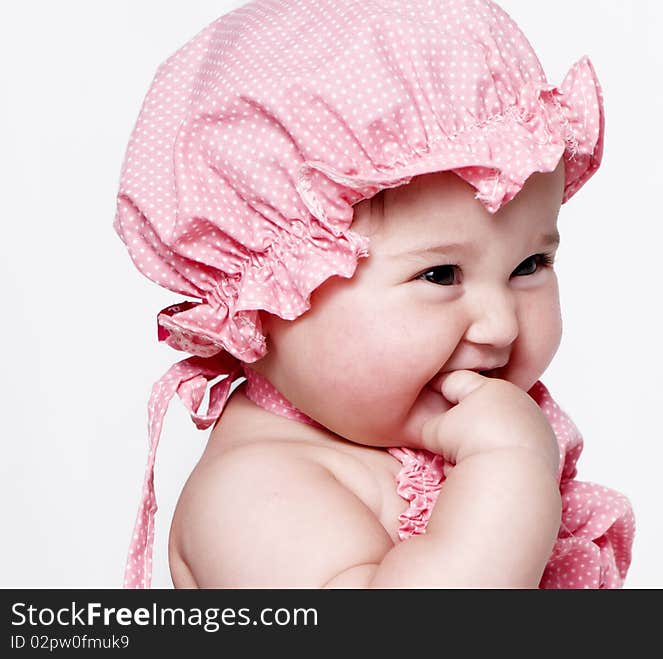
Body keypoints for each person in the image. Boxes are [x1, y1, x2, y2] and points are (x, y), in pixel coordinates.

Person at [114, 0, 635, 589]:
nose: (500, 326)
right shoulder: (254, 495)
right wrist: (510, 469)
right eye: (440, 275)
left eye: (531, 263)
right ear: (267, 300)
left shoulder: (423, 439)